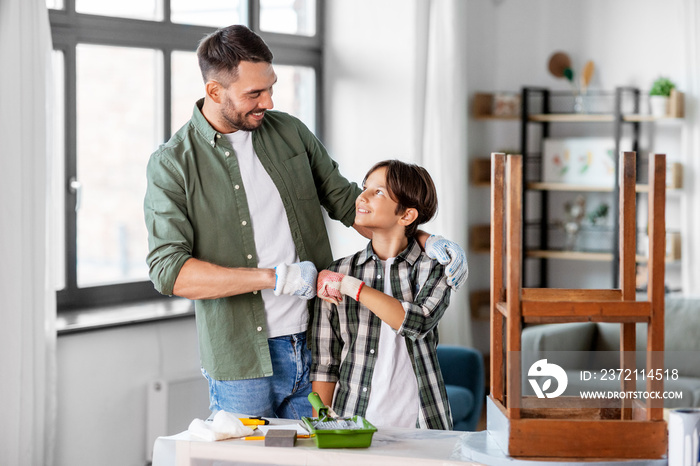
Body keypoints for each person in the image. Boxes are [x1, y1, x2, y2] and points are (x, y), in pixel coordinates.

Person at [143, 24, 467, 420]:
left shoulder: (290, 134)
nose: (268, 101)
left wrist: (425, 239)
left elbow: (350, 202)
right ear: (214, 91)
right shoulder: (173, 163)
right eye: (254, 94)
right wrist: (274, 278)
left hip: (318, 340)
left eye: (271, 87)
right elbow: (169, 272)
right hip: (242, 359)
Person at [311, 160, 459, 430]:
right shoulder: (339, 271)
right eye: (365, 187)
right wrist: (321, 424)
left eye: (378, 192)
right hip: (352, 421)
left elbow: (418, 322)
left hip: (423, 423)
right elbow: (325, 362)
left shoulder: (433, 268)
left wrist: (352, 287)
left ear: (406, 216)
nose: (362, 196)